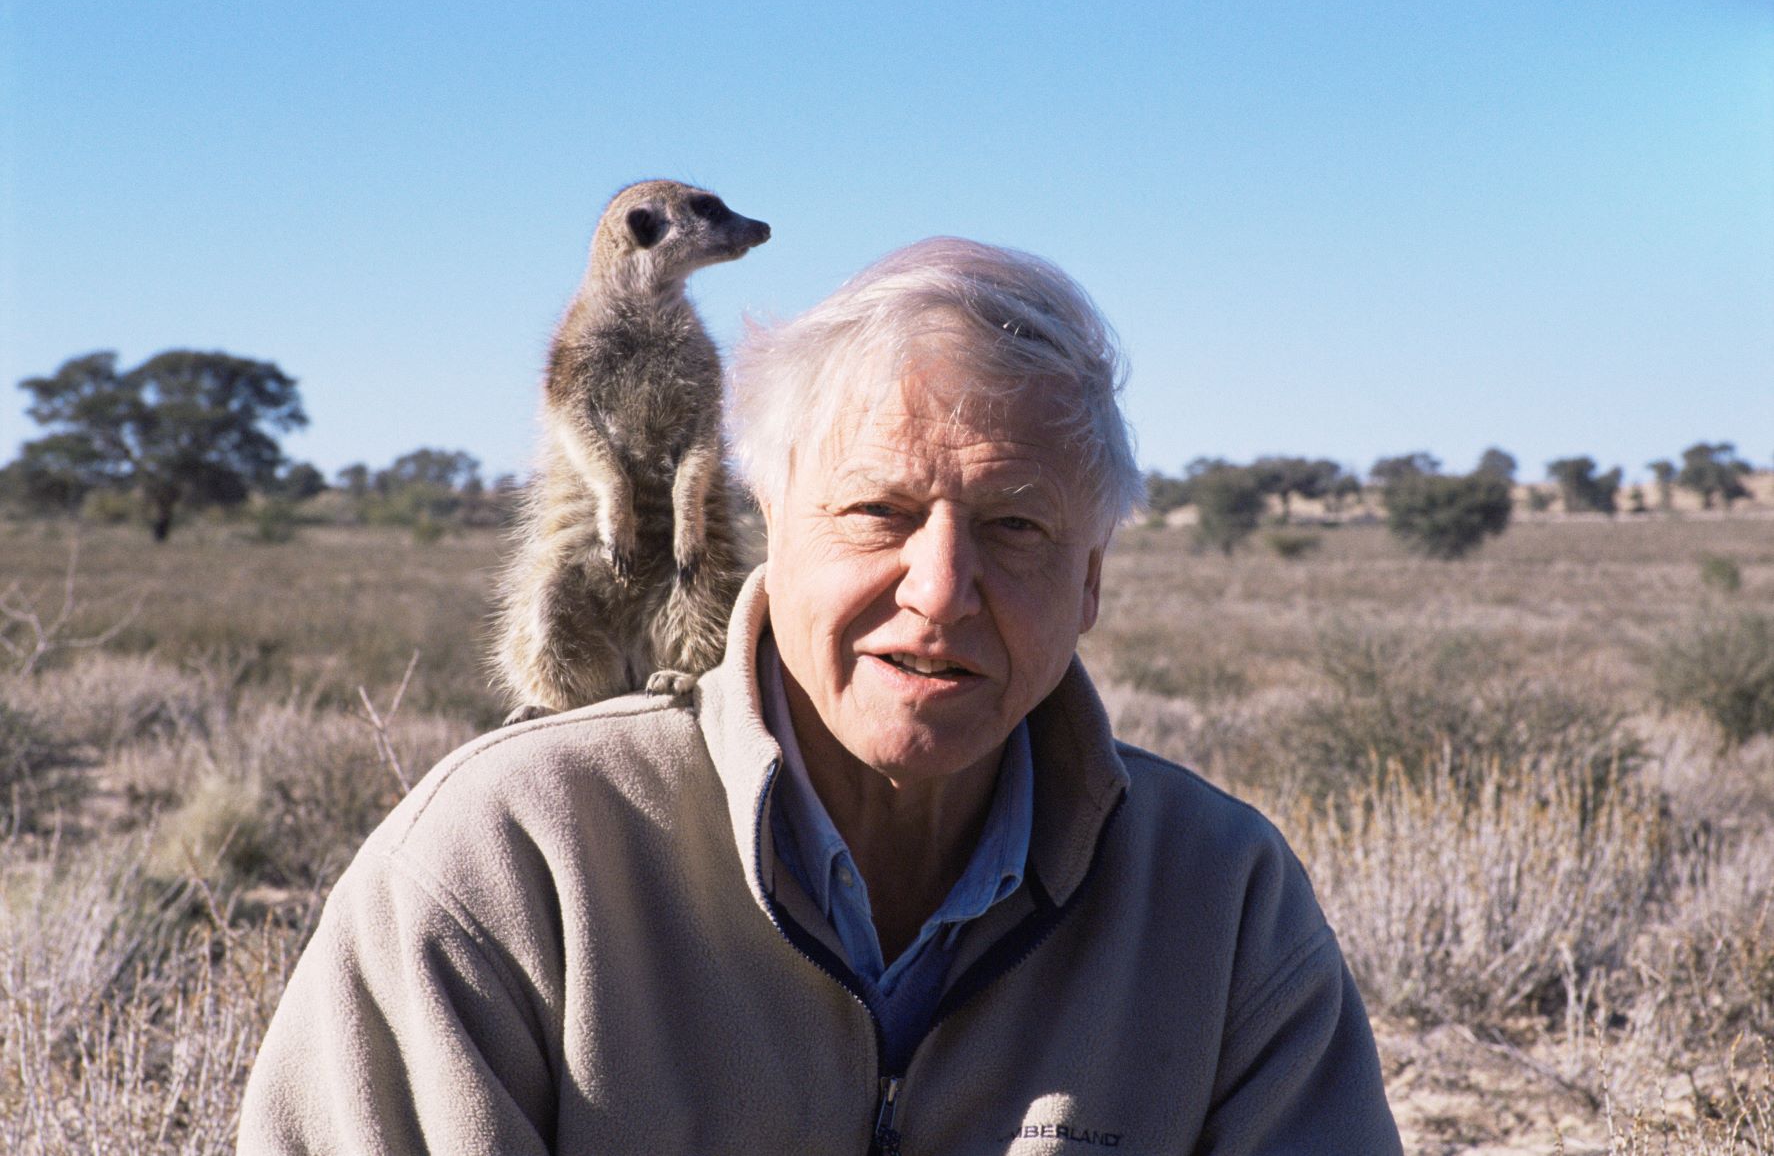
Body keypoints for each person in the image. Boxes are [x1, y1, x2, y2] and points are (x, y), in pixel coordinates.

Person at [239, 238, 1402, 1154]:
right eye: (877, 513)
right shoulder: (511, 860)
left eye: (1016, 526)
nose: (941, 591)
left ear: (1090, 580)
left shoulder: (1216, 897)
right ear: (771, 531)